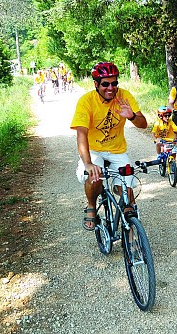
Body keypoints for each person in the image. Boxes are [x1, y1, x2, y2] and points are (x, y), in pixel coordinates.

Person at [70, 61, 147, 231]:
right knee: (95, 176)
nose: (110, 88)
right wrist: (88, 163)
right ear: (96, 84)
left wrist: (132, 116)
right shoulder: (86, 101)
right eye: (105, 84)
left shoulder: (124, 96)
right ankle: (91, 206)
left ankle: (131, 226)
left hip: (117, 150)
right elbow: (81, 133)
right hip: (94, 150)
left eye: (114, 83)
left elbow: (143, 124)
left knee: (127, 193)